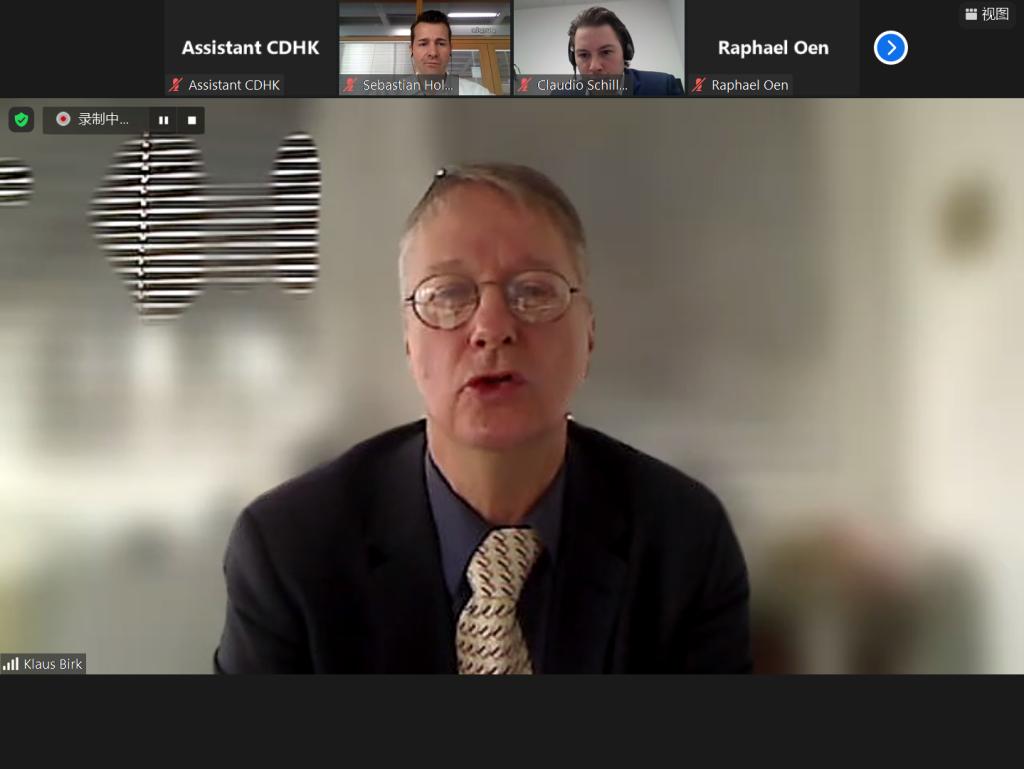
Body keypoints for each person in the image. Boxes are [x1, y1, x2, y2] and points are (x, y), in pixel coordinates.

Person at [214, 163, 750, 674]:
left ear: (589, 333)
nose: (492, 328)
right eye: (448, 294)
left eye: (534, 291)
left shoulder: (684, 541)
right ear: (408, 341)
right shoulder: (290, 552)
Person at [568, 6, 684, 96]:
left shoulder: (663, 87)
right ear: (573, 59)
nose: (594, 67)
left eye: (606, 52)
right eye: (584, 55)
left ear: (625, 52)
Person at [409, 10, 494, 96]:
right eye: (423, 44)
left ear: (450, 49)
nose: (433, 53)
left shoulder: (478, 93)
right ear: (411, 49)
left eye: (441, 44)